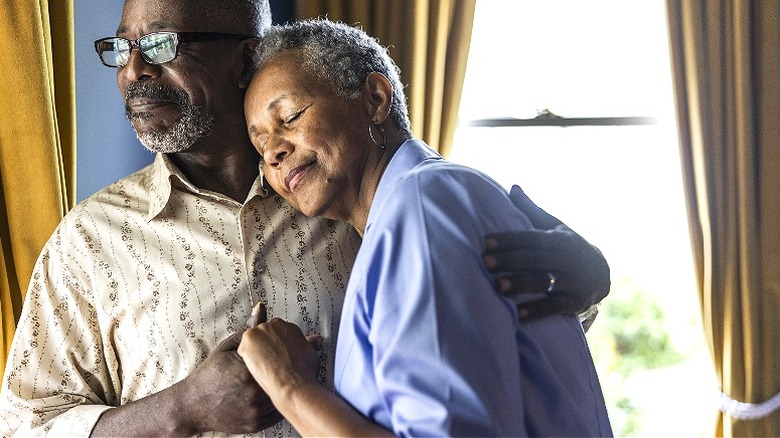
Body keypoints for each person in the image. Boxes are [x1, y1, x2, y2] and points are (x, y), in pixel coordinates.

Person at [0, 1, 609, 436]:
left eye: (160, 45)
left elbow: (497, 341)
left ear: (244, 59)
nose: (132, 73)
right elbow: (25, 425)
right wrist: (181, 410)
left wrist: (585, 279)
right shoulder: (88, 243)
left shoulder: (364, 200)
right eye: (123, 51)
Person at [237, 18, 612, 437]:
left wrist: (289, 388)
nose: (273, 151)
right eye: (259, 144)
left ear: (375, 99)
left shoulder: (422, 204)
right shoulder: (411, 210)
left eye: (289, 116)